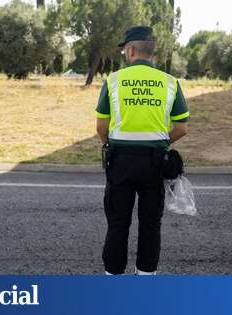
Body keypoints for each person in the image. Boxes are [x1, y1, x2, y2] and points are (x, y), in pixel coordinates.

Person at [94, 26, 190, 275]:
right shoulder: (170, 83)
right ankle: (146, 277)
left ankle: (113, 277)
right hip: (155, 163)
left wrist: (109, 144)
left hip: (120, 162)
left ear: (132, 49)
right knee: (150, 225)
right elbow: (181, 127)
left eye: (125, 49)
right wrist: (161, 143)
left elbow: (101, 127)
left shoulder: (113, 81)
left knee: (117, 224)